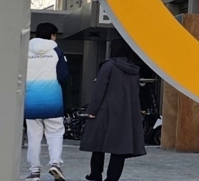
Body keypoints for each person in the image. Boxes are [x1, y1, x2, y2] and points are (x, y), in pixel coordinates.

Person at [80, 39, 146, 181]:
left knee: (98, 144)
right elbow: (136, 92)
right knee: (120, 148)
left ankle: (95, 174)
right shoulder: (134, 69)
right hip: (125, 114)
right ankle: (112, 178)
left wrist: (92, 110)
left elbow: (99, 90)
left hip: (105, 111)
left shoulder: (109, 66)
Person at [23, 22, 69, 181]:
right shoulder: (57, 51)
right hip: (53, 100)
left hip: (31, 100)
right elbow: (63, 76)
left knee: (34, 137)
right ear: (52, 35)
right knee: (55, 134)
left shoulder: (25, 51)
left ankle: (35, 171)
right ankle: (55, 163)